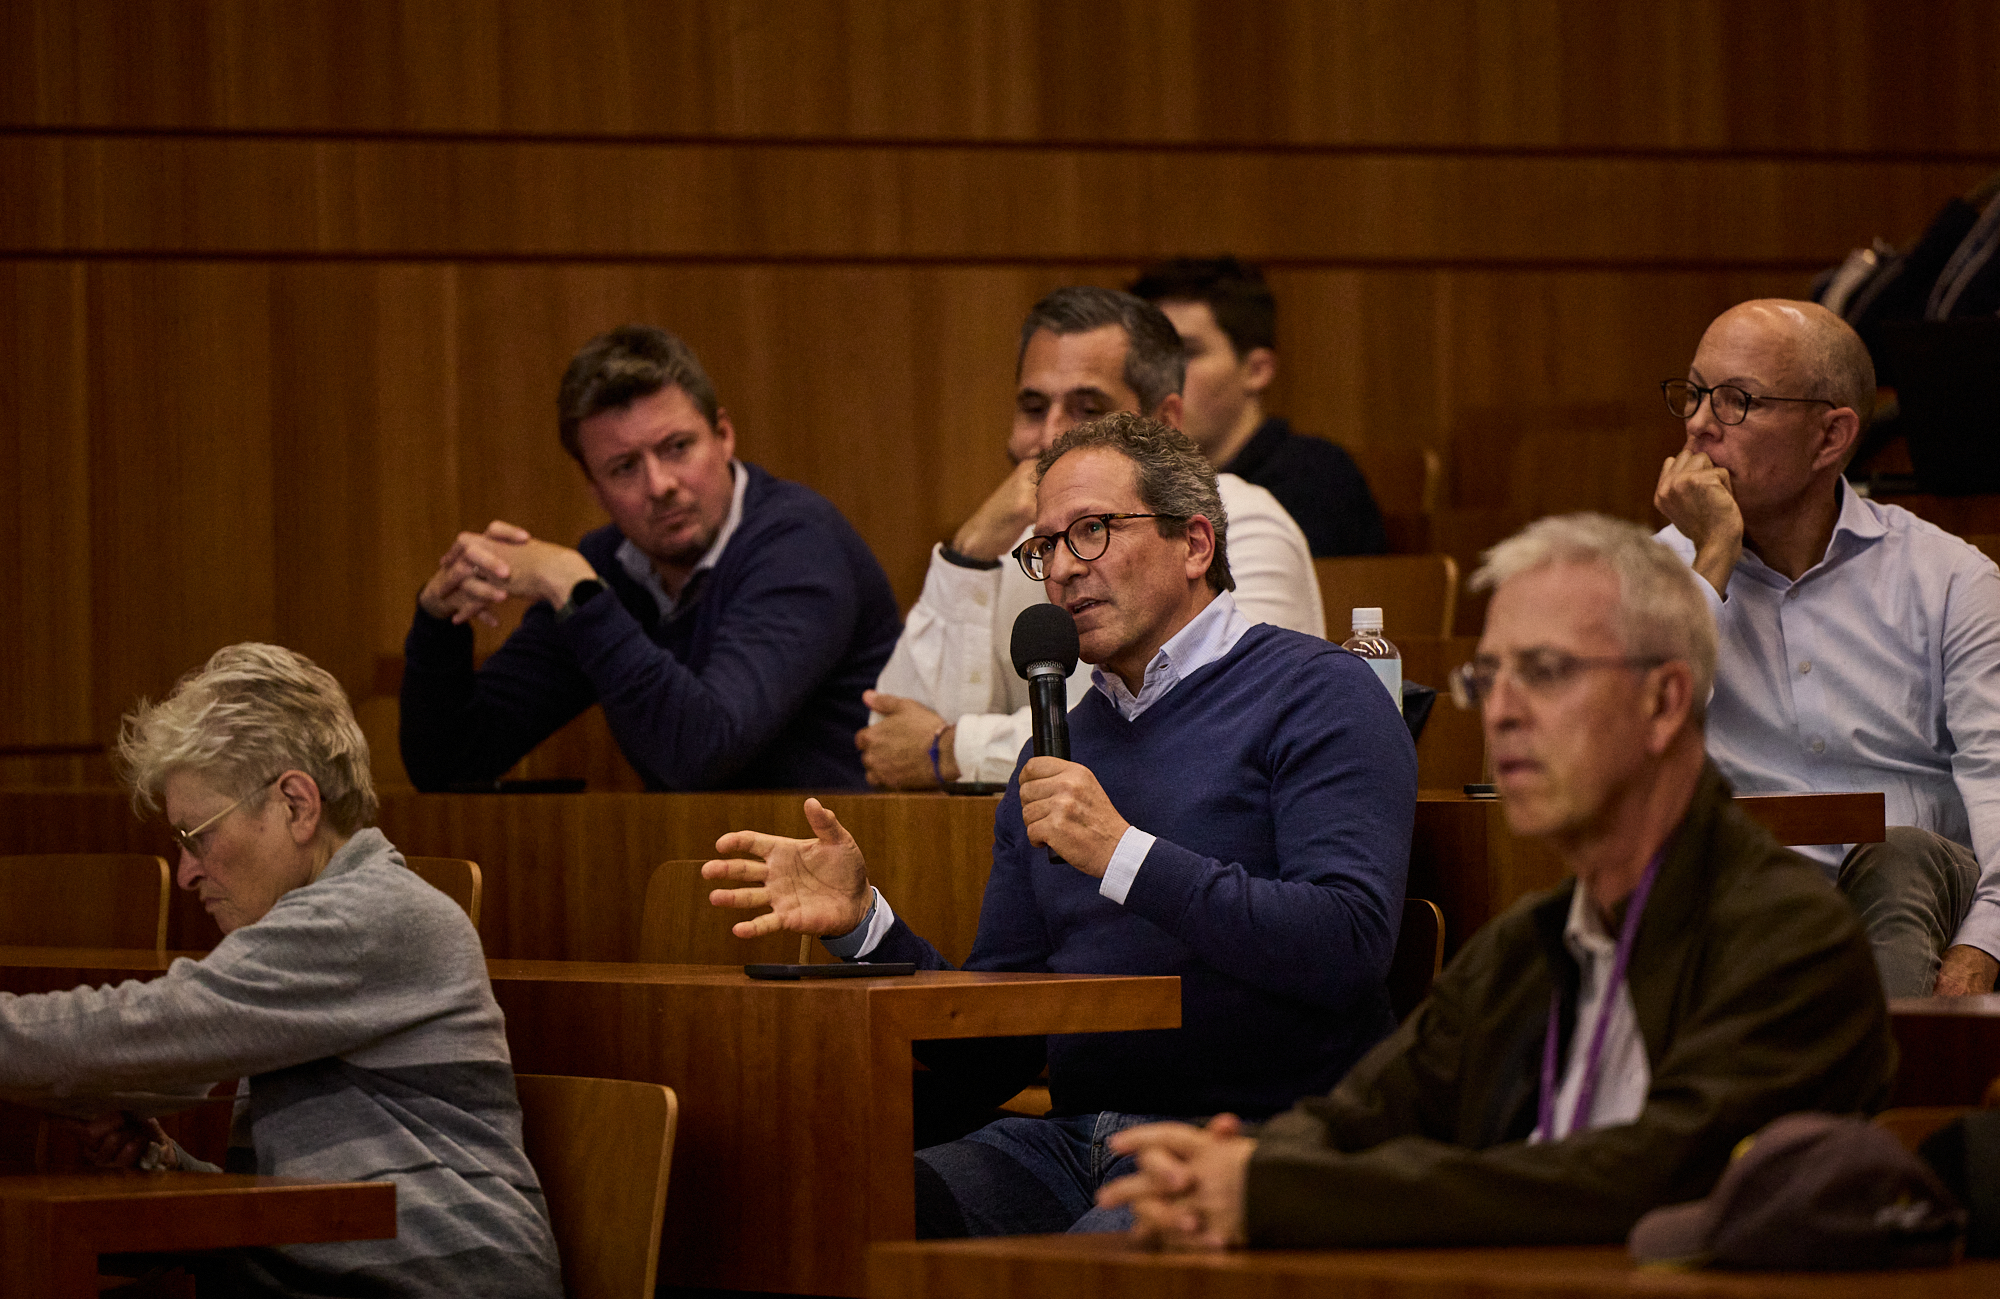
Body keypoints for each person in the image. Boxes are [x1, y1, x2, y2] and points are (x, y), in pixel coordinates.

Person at [1099, 513, 1895, 1250]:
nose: (1501, 712)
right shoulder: (1527, 945)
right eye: (1488, 677)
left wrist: (1278, 1191)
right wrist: (1228, 1172)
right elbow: (1364, 1115)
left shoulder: (1790, 937)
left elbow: (1643, 1181)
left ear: (1663, 701)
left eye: (1544, 672)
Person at [706, 415, 1415, 1238]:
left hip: (1246, 1140)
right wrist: (865, 926)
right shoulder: (1057, 749)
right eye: (1046, 547)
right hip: (1065, 1141)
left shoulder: (1319, 691)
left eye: (1093, 530)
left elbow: (1348, 943)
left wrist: (1122, 855)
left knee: (1086, 1268)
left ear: (1194, 544)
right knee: (823, 1221)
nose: (1065, 569)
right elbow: (1000, 1042)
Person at [0, 643, 561, 1296]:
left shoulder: (369, 915)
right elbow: (307, 1217)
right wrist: (167, 1167)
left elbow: (150, 1029)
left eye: (196, 836)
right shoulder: (308, 938)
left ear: (295, 804)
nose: (186, 873)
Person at [1654, 298, 2000, 997]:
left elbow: (1997, 782)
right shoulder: (1652, 580)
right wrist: (1712, 557)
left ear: (1831, 436)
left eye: (1736, 401)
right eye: (1693, 393)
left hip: (1920, 912)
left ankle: (1894, 1054)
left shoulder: (1950, 580)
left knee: (1899, 855)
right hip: (1740, 918)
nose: (1698, 424)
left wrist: (1983, 948)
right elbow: (1630, 748)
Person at [400, 324, 901, 791]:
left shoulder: (800, 544)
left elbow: (703, 750)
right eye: (624, 468)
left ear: (724, 435)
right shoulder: (606, 568)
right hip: (701, 848)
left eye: (677, 447)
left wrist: (574, 588)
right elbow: (450, 764)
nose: (660, 485)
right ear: (594, 487)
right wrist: (438, 620)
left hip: (847, 848)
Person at [861, 286, 1323, 790]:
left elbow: (1212, 726)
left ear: (1165, 421)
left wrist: (953, 750)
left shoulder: (1237, 519)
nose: (1050, 437)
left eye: (1087, 410)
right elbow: (891, 743)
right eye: (1034, 407)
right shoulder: (1024, 548)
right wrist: (969, 555)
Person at [1130, 255, 1386, 557]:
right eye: (1148, 356)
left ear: (1257, 370)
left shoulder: (1317, 479)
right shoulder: (1137, 478)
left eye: (1186, 353)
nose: (1157, 375)